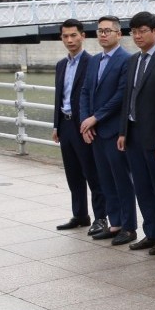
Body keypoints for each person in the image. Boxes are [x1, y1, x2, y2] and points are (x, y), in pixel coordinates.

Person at [118, 11, 155, 255]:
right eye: (134, 31)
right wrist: (123, 131)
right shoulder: (133, 61)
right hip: (133, 133)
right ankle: (150, 233)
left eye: (142, 31)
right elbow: (127, 99)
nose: (138, 36)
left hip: (154, 136)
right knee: (141, 187)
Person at [80, 16, 137, 245]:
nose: (103, 35)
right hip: (95, 132)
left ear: (118, 34)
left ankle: (129, 227)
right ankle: (114, 224)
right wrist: (85, 121)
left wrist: (96, 117)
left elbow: (121, 96)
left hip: (114, 130)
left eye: (107, 31)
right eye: (100, 31)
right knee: (105, 180)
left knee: (122, 180)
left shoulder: (126, 60)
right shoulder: (94, 61)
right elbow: (85, 91)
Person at [52, 19, 106, 236]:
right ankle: (80, 215)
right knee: (72, 173)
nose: (70, 40)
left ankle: (101, 217)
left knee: (92, 173)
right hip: (65, 126)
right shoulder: (61, 65)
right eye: (65, 36)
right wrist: (56, 125)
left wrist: (90, 122)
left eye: (74, 35)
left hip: (82, 125)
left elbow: (93, 97)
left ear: (83, 36)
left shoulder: (92, 62)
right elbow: (60, 97)